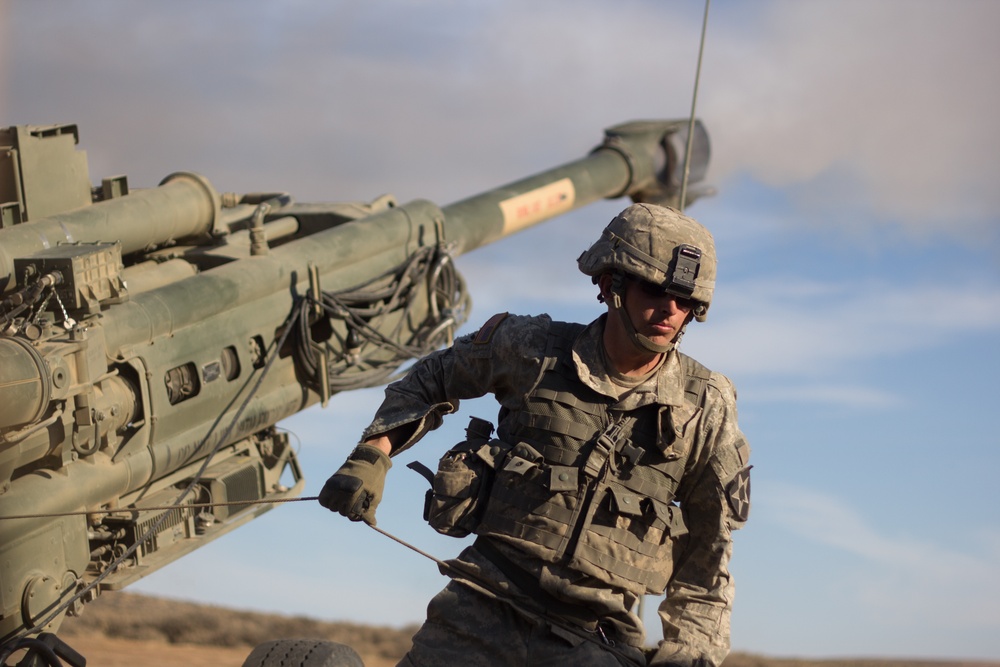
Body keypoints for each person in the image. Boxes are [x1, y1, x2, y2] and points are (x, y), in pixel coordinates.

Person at [319, 202, 752, 667]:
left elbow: (711, 554)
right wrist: (372, 455)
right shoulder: (534, 350)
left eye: (685, 300)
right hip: (479, 610)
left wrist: (691, 654)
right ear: (611, 284)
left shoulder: (705, 405)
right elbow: (433, 377)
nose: (670, 309)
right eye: (655, 289)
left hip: (597, 640)